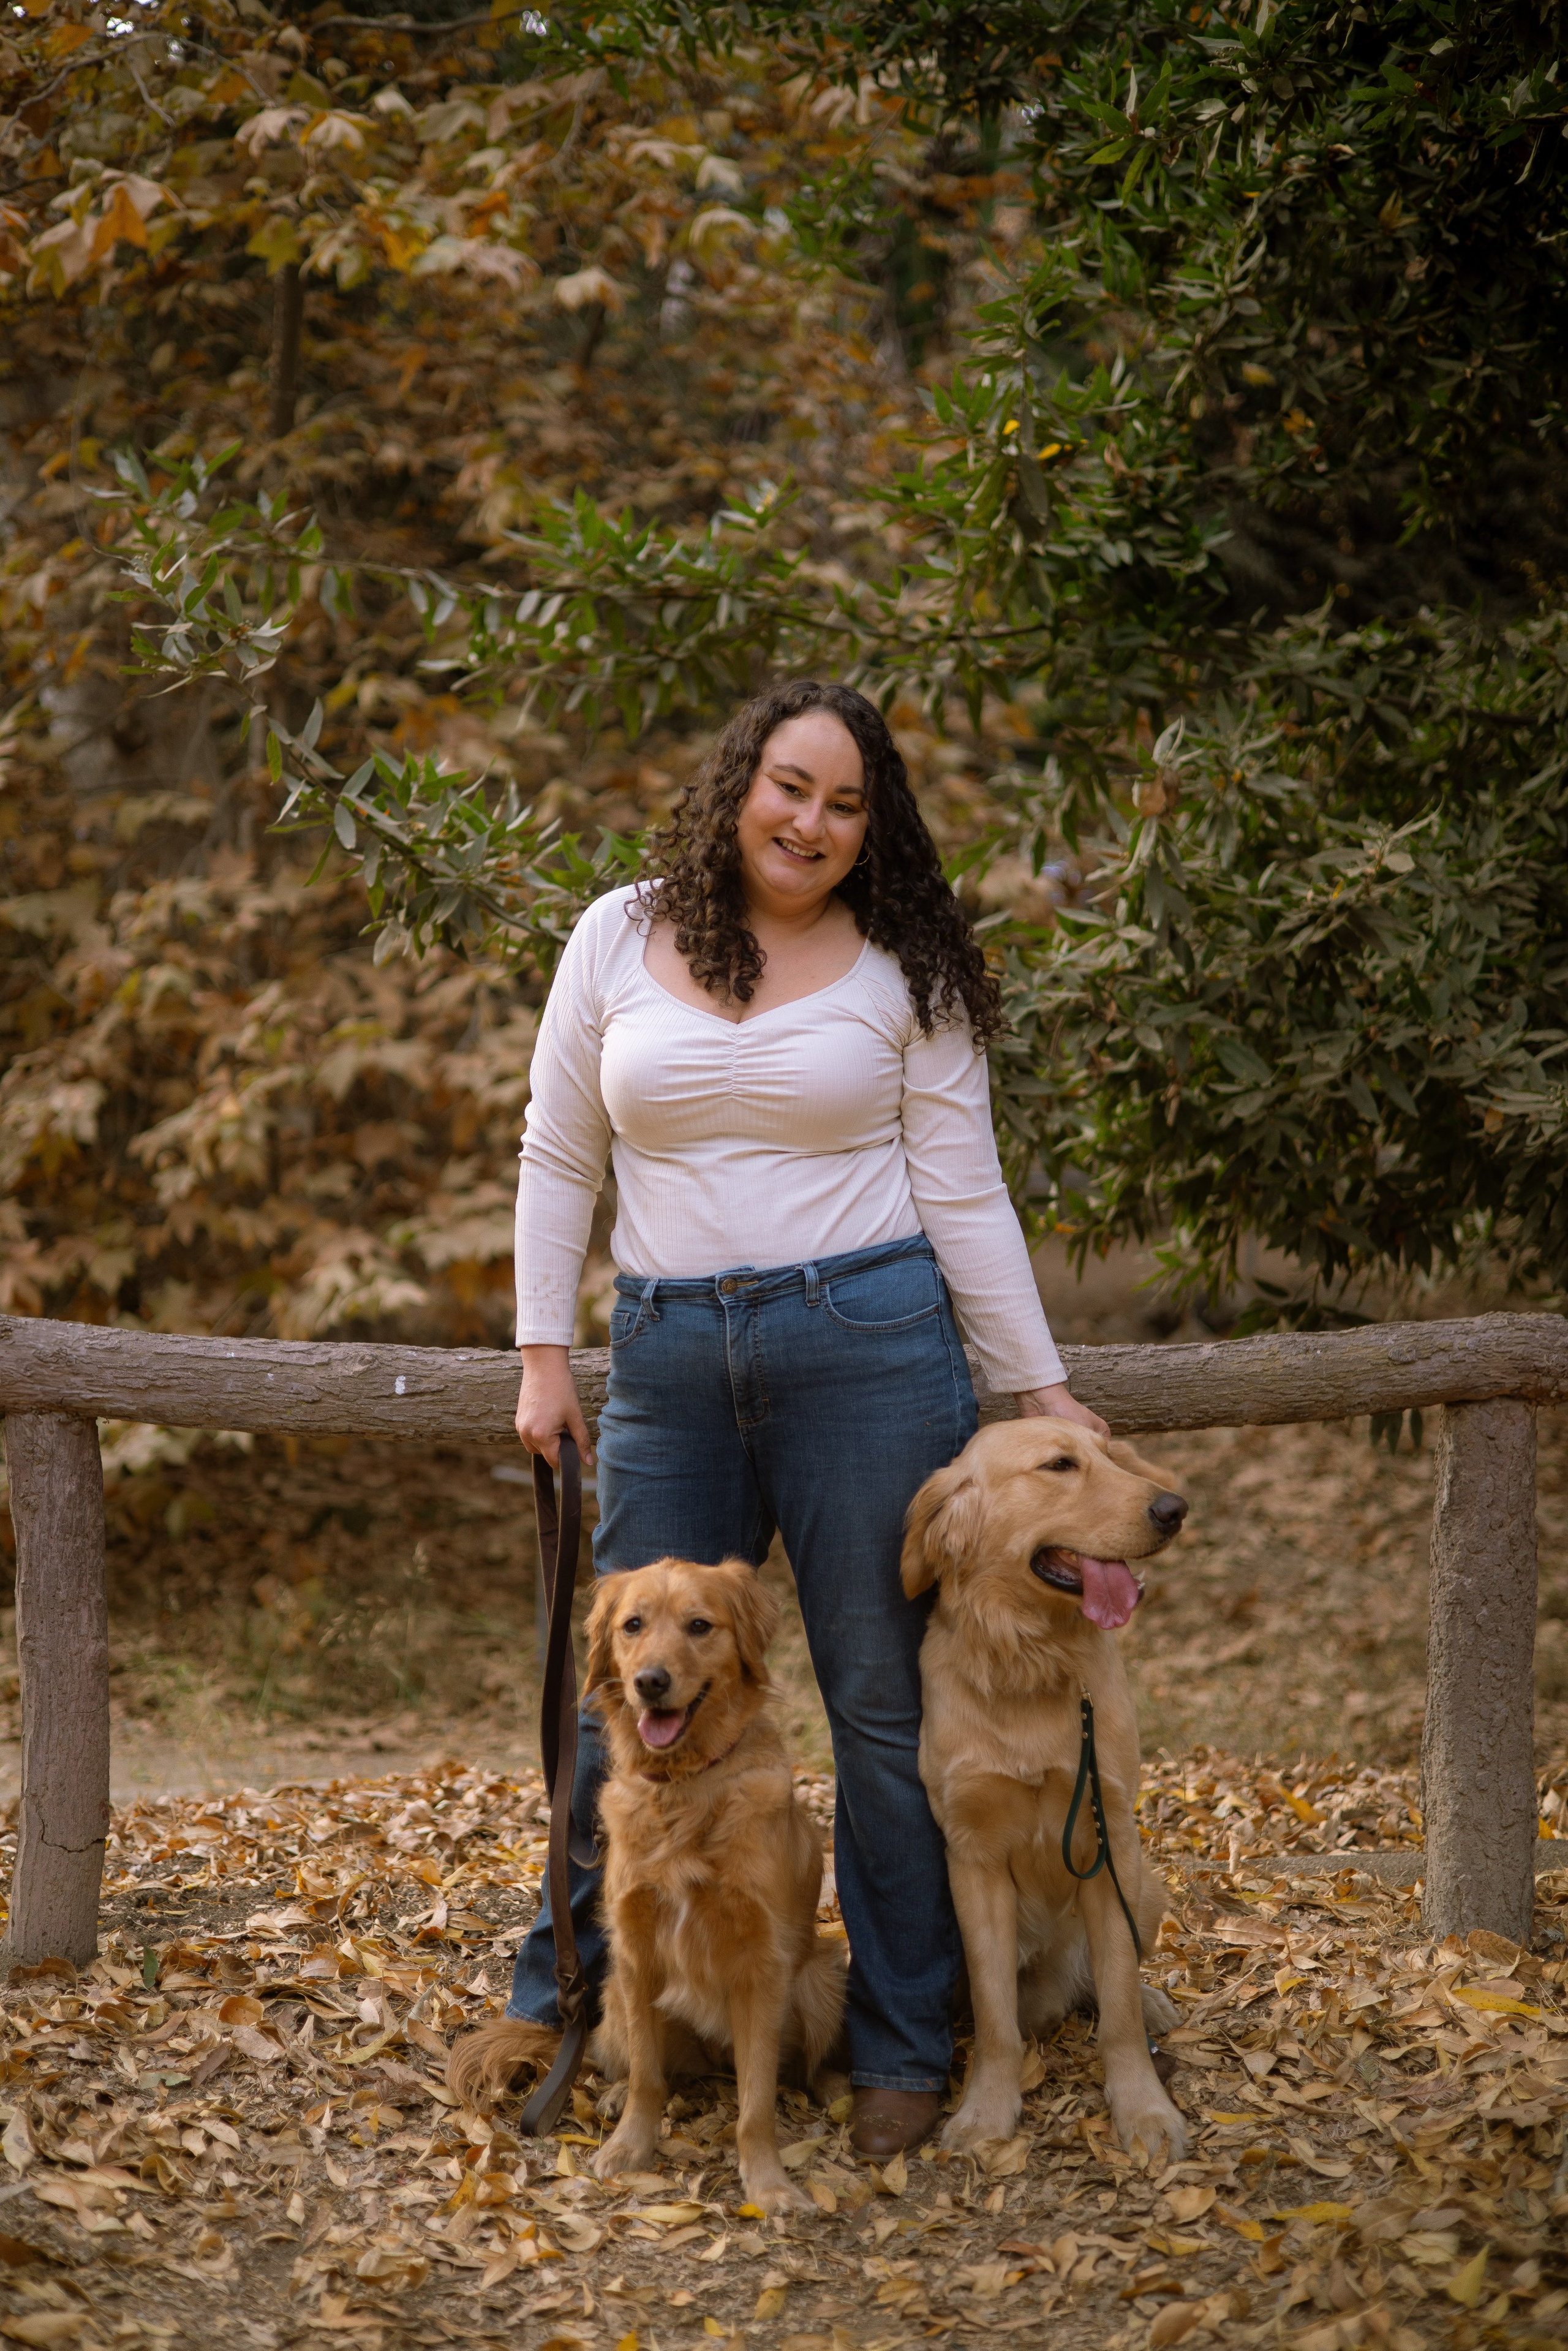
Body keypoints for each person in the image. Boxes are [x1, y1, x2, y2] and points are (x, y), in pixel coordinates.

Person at [507, 677, 1104, 2157]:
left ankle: (900, 2039)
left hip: (870, 1343)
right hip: (663, 1353)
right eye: (790, 786)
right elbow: (556, 1149)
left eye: (845, 804)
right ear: (738, 784)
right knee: (622, 1691)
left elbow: (961, 1187)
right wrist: (540, 1351)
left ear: (872, 822)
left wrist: (1033, 1383)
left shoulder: (902, 963)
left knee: (878, 1699)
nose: (811, 823)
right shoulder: (616, 932)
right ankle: (571, 2010)